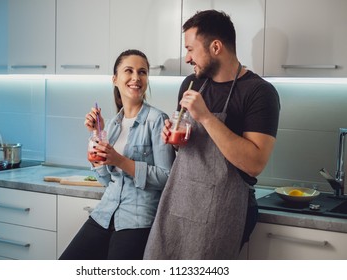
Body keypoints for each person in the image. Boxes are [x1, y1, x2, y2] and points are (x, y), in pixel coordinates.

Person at [144, 10, 280, 259]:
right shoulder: (191, 84)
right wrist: (174, 137)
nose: (187, 57)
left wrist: (205, 117)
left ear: (215, 46)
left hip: (223, 210)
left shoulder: (260, 93)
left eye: (191, 49)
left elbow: (254, 164)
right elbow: (186, 149)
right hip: (179, 200)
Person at [60, 49, 176, 260]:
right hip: (105, 213)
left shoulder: (157, 120)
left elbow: (167, 177)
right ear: (115, 79)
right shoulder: (113, 125)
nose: (136, 78)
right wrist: (96, 136)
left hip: (138, 219)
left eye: (142, 72)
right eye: (128, 71)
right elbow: (106, 179)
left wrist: (120, 161)